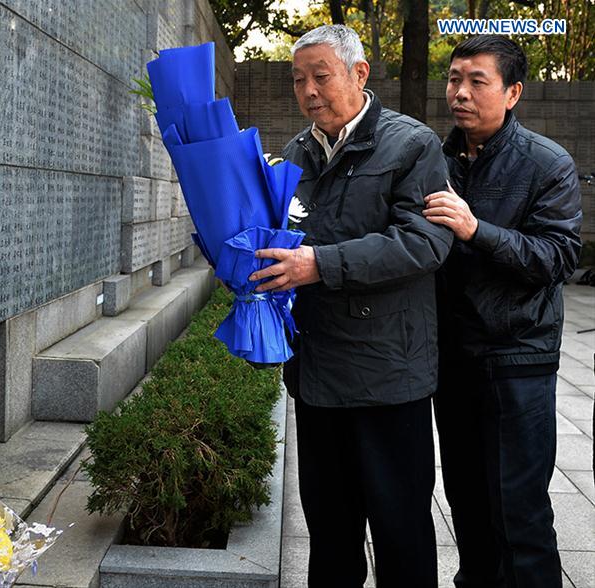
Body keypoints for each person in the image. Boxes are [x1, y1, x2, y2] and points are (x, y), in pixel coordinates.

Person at [249, 24, 453, 587]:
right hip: (318, 376)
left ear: (359, 74)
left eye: (321, 76)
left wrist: (320, 264)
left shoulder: (413, 145)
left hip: (390, 375)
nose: (309, 91)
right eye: (298, 80)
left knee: (401, 531)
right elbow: (284, 239)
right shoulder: (294, 153)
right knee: (330, 532)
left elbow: (425, 242)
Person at [423, 35, 582, 587]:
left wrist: (475, 229)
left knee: (520, 510)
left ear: (513, 92)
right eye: (453, 79)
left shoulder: (547, 163)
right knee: (466, 503)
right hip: (452, 359)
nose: (460, 92)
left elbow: (558, 256)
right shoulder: (434, 160)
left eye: (477, 81)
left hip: (518, 359)